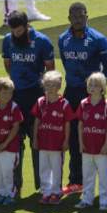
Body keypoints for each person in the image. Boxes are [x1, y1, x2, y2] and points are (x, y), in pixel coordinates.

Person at [59, 2, 107, 196]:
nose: (78, 20)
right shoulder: (63, 39)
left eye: (81, 16)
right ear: (69, 18)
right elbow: (65, 62)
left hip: (92, 95)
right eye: (74, 17)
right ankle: (76, 181)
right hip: (72, 92)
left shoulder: (98, 39)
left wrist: (99, 89)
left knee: (98, 135)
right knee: (73, 136)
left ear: (87, 16)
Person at [2, 10, 55, 196]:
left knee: (37, 142)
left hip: (35, 96)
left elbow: (50, 70)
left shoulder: (42, 41)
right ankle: (15, 186)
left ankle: (43, 186)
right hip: (15, 96)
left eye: (19, 29)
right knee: (15, 142)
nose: (16, 33)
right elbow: (8, 64)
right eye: (13, 30)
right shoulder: (7, 40)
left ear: (26, 25)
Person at [32, 71, 73, 204]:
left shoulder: (64, 104)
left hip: (57, 143)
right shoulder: (40, 102)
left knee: (56, 168)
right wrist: (35, 138)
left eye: (52, 85)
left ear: (59, 86)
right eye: (47, 85)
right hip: (43, 142)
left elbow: (67, 123)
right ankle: (46, 191)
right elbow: (37, 121)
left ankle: (56, 192)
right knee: (43, 167)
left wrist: (66, 140)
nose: (49, 88)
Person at [75, 72, 107, 212]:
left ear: (102, 87)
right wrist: (80, 143)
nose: (92, 87)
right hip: (87, 146)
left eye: (96, 85)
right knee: (87, 175)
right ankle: (87, 199)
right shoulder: (83, 103)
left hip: (101, 148)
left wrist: (106, 145)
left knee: (103, 176)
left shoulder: (106, 105)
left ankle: (105, 200)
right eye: (90, 84)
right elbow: (80, 125)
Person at [0, 77, 23, 206]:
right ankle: (0, 194)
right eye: (4, 93)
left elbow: (15, 127)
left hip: (10, 148)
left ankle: (10, 194)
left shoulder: (14, 107)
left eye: (10, 93)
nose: (7, 96)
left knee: (8, 171)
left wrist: (5, 143)